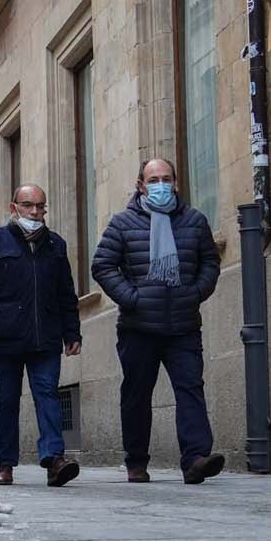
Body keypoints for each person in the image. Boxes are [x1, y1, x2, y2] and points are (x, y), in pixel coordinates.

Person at [90, 158, 227, 484]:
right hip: (138, 327)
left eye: (166, 178)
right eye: (153, 180)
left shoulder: (194, 221)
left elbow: (210, 262)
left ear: (176, 183)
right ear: (141, 185)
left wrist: (195, 292)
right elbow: (103, 266)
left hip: (183, 325)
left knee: (190, 389)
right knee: (137, 395)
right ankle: (136, 462)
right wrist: (132, 298)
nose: (160, 185)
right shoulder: (123, 223)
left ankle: (195, 459)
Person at [0, 184, 82, 487]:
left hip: (46, 338)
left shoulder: (56, 245)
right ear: (14, 208)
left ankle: (54, 460)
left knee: (48, 395)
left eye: (40, 207)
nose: (35, 212)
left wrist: (72, 331)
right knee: (7, 401)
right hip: (5, 339)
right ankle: (5, 463)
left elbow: (66, 293)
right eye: (28, 206)